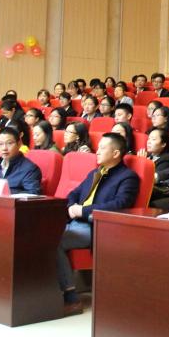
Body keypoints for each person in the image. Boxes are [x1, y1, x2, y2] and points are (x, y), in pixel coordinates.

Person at [58, 133, 140, 315]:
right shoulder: (95, 172)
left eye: (103, 148)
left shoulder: (128, 177)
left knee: (54, 240)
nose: (97, 151)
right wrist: (71, 207)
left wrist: (83, 211)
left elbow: (120, 204)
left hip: (95, 226)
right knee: (39, 233)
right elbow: (74, 193)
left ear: (116, 153)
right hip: (73, 220)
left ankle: (71, 298)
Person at [0, 127, 42, 195]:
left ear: (19, 144)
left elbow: (33, 194)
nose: (4, 148)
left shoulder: (30, 169)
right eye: (0, 144)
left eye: (9, 143)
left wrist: (6, 193)